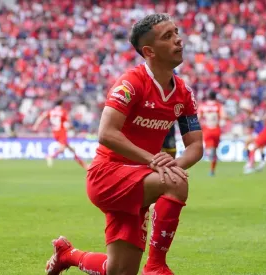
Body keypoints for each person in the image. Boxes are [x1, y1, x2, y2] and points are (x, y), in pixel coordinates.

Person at [45, 13, 204, 275]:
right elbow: (106, 133)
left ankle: (67, 255)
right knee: (177, 183)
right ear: (149, 51)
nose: (178, 40)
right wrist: (153, 161)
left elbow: (196, 146)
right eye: (168, 36)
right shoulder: (131, 83)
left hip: (140, 179)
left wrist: (173, 164)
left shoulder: (183, 93)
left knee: (119, 271)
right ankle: (156, 266)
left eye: (176, 32)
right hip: (108, 176)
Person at [33, 99, 87, 169]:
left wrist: (36, 125)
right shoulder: (63, 112)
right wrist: (73, 127)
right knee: (62, 148)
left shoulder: (51, 111)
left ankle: (84, 165)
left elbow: (42, 116)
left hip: (55, 132)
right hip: (61, 131)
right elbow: (68, 123)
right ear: (61, 104)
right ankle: (51, 156)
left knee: (71, 149)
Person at [198, 91, 226, 176]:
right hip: (216, 129)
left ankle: (209, 153)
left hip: (207, 129)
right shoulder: (219, 106)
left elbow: (198, 117)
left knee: (209, 148)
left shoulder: (203, 106)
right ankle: (212, 169)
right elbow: (223, 116)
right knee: (214, 149)